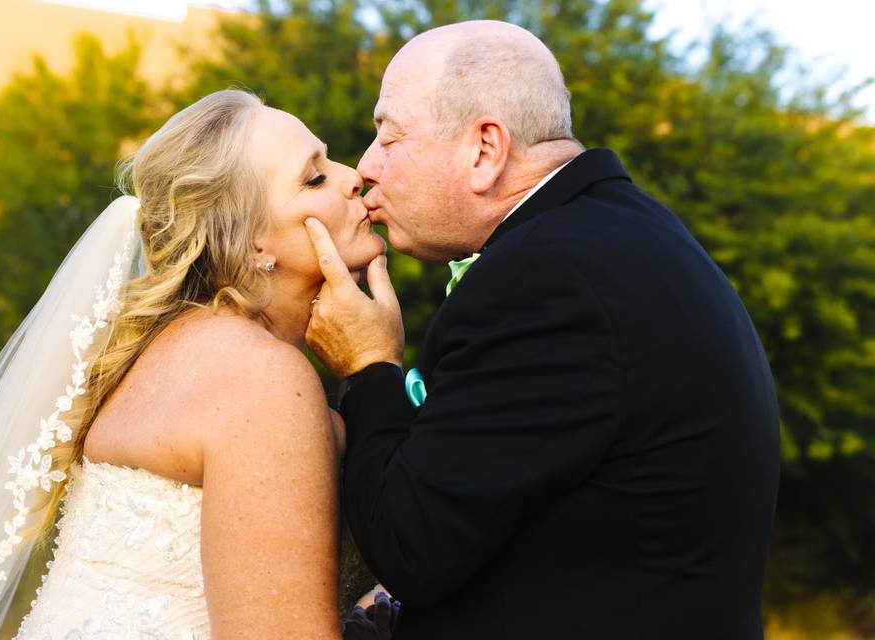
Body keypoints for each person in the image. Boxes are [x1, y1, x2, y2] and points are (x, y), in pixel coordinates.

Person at [306, 20, 782, 639]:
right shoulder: (618, 237)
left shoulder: (546, 280)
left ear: (485, 149)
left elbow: (410, 545)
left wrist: (369, 366)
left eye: (388, 137)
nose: (367, 168)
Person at [0, 90, 395, 639]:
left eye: (329, 160)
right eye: (314, 179)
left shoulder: (158, 355)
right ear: (251, 243)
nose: (353, 175)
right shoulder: (261, 381)